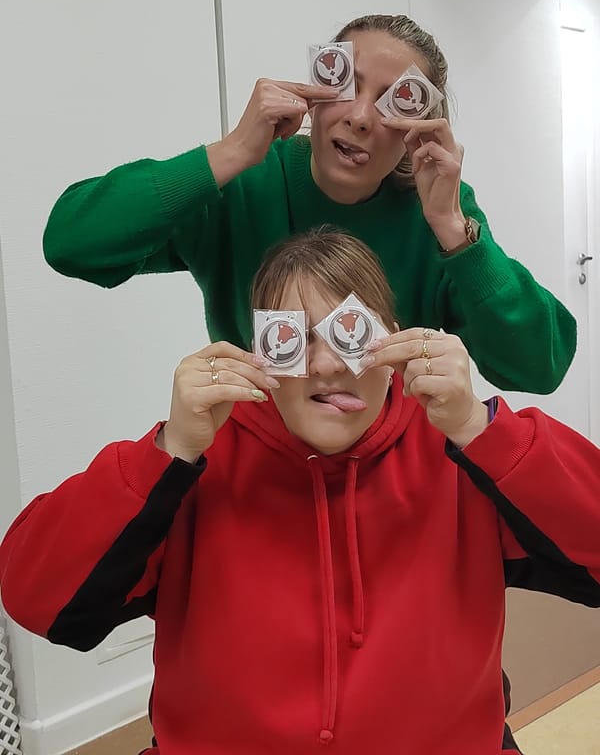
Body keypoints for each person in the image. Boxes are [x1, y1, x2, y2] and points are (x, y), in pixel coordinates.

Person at [1, 227, 598, 755]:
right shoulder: (198, 461)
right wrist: (168, 450)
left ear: (393, 343)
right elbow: (33, 595)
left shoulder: (460, 451)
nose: (328, 365)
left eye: (350, 333)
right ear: (259, 356)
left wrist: (480, 429)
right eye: (294, 339)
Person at [42, 13, 575, 395]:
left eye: (394, 101)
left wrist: (456, 233)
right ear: (317, 88)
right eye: (348, 86)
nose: (362, 117)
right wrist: (227, 155)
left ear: (419, 128)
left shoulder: (435, 208)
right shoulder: (246, 186)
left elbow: (539, 366)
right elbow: (71, 243)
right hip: (259, 463)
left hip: (396, 478)